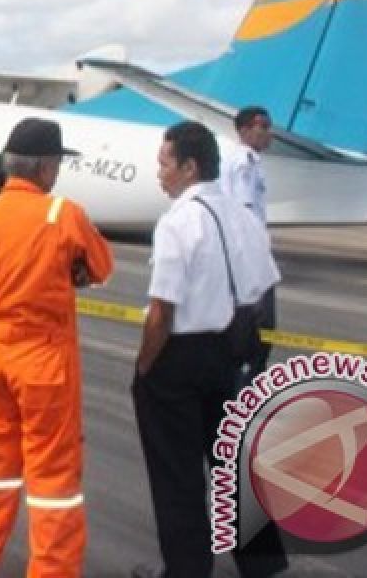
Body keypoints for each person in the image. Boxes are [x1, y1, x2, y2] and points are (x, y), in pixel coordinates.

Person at [0, 118, 113, 578]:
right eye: (57, 163)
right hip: (44, 362)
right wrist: (72, 270)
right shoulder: (62, 214)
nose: (58, 171)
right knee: (53, 480)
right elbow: (100, 267)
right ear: (44, 166)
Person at [131, 120, 287, 578]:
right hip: (231, 351)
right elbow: (263, 287)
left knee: (177, 475)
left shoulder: (178, 221)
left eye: (164, 164)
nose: (159, 173)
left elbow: (162, 310)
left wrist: (145, 366)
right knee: (232, 463)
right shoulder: (244, 216)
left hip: (179, 356)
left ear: (188, 166)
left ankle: (186, 570)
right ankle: (262, 564)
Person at [219, 105, 276, 378]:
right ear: (244, 130)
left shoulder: (244, 159)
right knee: (260, 324)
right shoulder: (245, 162)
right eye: (262, 127)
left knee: (250, 325)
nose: (268, 133)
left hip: (244, 253)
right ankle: (246, 385)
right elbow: (245, 210)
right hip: (249, 255)